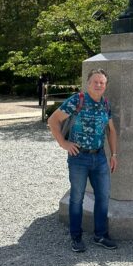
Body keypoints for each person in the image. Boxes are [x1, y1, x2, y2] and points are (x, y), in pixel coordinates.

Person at [47, 68, 119, 253]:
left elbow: (111, 130)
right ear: (88, 83)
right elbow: (53, 120)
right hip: (78, 157)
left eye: (102, 82)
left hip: (100, 157)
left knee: (103, 196)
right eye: (95, 82)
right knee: (77, 197)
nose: (98, 85)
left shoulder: (105, 104)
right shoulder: (77, 100)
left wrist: (114, 155)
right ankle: (76, 237)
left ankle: (100, 235)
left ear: (105, 86)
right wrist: (63, 143)